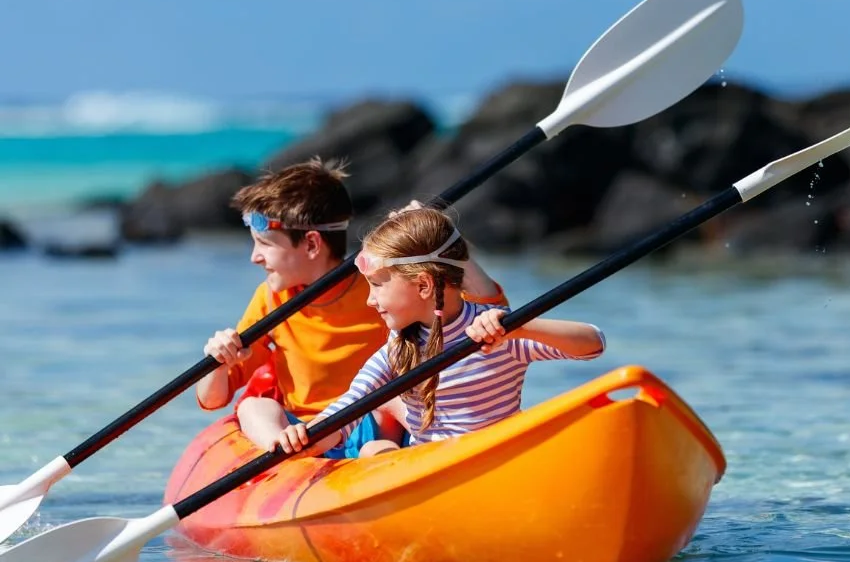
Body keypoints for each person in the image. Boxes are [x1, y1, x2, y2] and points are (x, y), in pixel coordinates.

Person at [195, 162, 503, 455]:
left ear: (313, 244)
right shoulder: (271, 299)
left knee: (391, 400)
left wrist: (444, 239)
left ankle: (383, 460)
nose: (255, 257)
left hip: (374, 423)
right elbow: (213, 399)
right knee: (252, 407)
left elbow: (488, 309)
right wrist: (219, 362)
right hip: (304, 430)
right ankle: (285, 455)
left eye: (264, 243)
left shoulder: (380, 287)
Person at [271, 205, 605, 458]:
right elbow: (347, 409)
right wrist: (303, 435)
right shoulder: (397, 349)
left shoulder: (498, 331)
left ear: (423, 285)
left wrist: (519, 326)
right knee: (374, 452)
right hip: (431, 468)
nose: (370, 300)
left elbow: (593, 344)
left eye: (377, 286)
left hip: (497, 461)